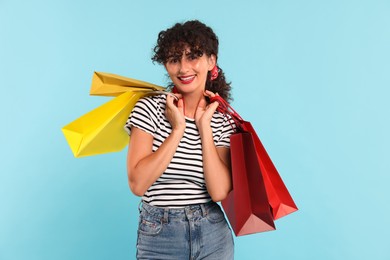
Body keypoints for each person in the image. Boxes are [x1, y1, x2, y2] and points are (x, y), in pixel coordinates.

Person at [125, 20, 235, 260]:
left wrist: (204, 128)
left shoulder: (222, 121)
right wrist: (177, 130)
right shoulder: (148, 108)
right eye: (174, 59)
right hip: (159, 235)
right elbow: (137, 184)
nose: (184, 68)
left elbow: (218, 192)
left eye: (193, 56)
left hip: (213, 232)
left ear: (211, 61)